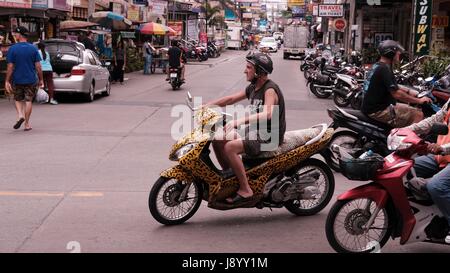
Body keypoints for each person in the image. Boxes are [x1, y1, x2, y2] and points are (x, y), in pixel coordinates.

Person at [203, 52, 286, 205]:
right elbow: (231, 98)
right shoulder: (253, 87)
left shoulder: (269, 89)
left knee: (230, 147)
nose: (245, 70)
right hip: (255, 131)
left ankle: (245, 189)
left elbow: (267, 113)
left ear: (259, 71)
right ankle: (233, 177)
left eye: (248, 67)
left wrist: (238, 121)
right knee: (218, 138)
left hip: (268, 136)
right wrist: (208, 105)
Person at [406, 100, 450, 244]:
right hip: (440, 157)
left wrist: (444, 149)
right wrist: (409, 129)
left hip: (444, 153)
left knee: (436, 186)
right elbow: (435, 119)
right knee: (405, 167)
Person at [361, 40, 431, 127]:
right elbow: (397, 94)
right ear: (391, 53)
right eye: (397, 52)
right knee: (418, 114)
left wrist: (409, 91)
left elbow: (393, 86)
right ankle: (407, 139)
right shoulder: (384, 69)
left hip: (374, 107)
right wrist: (419, 101)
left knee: (408, 108)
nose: (399, 54)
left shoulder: (378, 66)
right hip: (378, 110)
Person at [4, 26, 43, 131]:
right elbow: (38, 66)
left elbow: (10, 66)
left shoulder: (13, 48)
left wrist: (7, 80)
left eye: (16, 34)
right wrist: (41, 79)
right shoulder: (33, 48)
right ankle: (27, 124)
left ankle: (20, 115)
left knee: (17, 99)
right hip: (31, 79)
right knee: (28, 100)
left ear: (19, 35)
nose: (15, 36)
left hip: (17, 79)